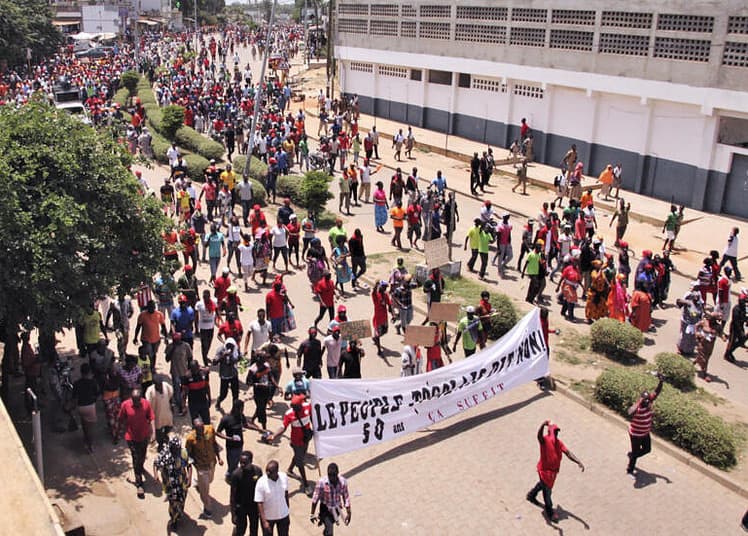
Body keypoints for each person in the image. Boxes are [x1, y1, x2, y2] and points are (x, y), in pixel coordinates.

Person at [526, 421, 584, 523]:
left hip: (552, 474)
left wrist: (578, 461)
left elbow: (568, 453)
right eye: (555, 431)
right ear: (550, 432)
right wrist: (542, 425)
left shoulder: (559, 443)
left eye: (557, 432)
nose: (556, 434)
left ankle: (531, 495)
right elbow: (538, 436)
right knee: (547, 492)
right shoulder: (544, 440)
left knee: (543, 485)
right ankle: (550, 511)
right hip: (544, 471)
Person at [267, 394, 314, 496]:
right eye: (293, 407)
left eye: (296, 407)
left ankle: (290, 470)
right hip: (296, 442)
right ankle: (306, 484)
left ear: (301, 404)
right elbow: (283, 427)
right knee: (300, 461)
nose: (294, 408)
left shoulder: (307, 407)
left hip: (306, 438)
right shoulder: (289, 414)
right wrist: (274, 435)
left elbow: (313, 417)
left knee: (299, 455)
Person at [118, 389, 155, 497]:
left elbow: (151, 417)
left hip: (144, 436)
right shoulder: (125, 405)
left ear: (140, 399)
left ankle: (140, 467)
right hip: (131, 438)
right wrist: (120, 431)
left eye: (138, 401)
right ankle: (139, 484)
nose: (136, 403)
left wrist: (153, 433)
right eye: (134, 401)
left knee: (142, 456)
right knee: (135, 458)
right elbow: (121, 418)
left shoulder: (146, 404)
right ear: (131, 399)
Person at [185, 417, 223, 518]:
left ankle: (199, 485)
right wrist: (193, 465)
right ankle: (207, 507)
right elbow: (188, 454)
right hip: (201, 467)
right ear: (194, 429)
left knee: (209, 481)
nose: (200, 431)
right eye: (198, 429)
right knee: (205, 491)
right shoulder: (190, 439)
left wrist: (219, 458)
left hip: (212, 463)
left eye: (201, 428)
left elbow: (215, 444)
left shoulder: (210, 430)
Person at [627, 374, 664, 474]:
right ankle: (630, 469)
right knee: (635, 452)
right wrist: (639, 402)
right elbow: (629, 412)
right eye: (646, 400)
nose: (648, 402)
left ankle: (632, 455)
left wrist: (661, 381)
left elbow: (656, 392)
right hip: (635, 434)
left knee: (647, 449)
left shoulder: (649, 402)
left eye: (649, 400)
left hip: (645, 433)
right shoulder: (637, 408)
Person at [153, 436, 191, 532]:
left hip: (182, 482)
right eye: (174, 449)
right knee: (173, 502)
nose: (176, 450)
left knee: (182, 499)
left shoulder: (183, 453)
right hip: (170, 484)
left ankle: (179, 513)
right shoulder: (165, 454)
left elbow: (189, 465)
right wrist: (156, 475)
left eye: (178, 448)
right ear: (171, 447)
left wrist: (189, 478)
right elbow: (156, 464)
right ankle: (174, 520)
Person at [310, 463, 352, 535]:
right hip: (325, 509)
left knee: (330, 525)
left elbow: (346, 497)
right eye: (329, 475)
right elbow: (315, 499)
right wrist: (312, 514)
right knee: (330, 532)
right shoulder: (321, 483)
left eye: (334, 475)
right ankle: (325, 524)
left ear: (337, 474)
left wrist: (349, 512)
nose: (332, 478)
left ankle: (325, 528)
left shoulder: (343, 482)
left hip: (337, 508)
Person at [217, 399, 254, 478]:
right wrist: (229, 438)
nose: (242, 410)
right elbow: (218, 432)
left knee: (238, 462)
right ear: (236, 408)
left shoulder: (241, 416)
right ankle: (230, 476)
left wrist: (259, 429)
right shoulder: (226, 419)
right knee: (232, 465)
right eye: (242, 408)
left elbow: (246, 425)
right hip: (231, 447)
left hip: (240, 445)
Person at [231, 451, 263, 536]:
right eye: (240, 462)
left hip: (253, 506)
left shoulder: (257, 471)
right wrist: (233, 514)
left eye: (245, 463)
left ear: (251, 461)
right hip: (241, 506)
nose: (242, 465)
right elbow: (232, 496)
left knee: (254, 529)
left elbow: (262, 489)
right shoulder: (236, 474)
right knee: (240, 530)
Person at [255, 460, 290, 536]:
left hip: (283, 515)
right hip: (268, 518)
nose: (267, 473)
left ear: (276, 471)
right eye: (266, 471)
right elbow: (259, 503)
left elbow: (286, 493)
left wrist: (287, 507)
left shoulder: (284, 477)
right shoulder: (261, 482)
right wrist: (264, 521)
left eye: (270, 471)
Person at [133, 300, 167, 372]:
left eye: (153, 307)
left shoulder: (159, 314)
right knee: (148, 354)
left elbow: (163, 326)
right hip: (146, 339)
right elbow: (138, 326)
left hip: (156, 339)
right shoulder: (142, 315)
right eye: (150, 307)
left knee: (154, 354)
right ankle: (146, 369)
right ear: (147, 307)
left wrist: (166, 337)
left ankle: (152, 367)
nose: (151, 309)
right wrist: (135, 337)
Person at [72, 363, 98, 453]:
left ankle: (85, 439)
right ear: (89, 372)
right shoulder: (93, 382)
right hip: (90, 407)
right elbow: (97, 393)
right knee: (91, 428)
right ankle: (90, 445)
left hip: (80, 407)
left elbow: (74, 397)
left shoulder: (76, 383)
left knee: (84, 423)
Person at [144, 376, 174, 451]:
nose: (160, 386)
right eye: (158, 385)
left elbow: (170, 396)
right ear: (154, 384)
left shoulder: (166, 386)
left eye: (160, 384)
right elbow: (148, 404)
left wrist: (172, 406)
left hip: (167, 412)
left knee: (169, 426)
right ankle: (160, 444)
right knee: (158, 431)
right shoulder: (150, 391)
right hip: (157, 414)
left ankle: (165, 436)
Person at [213, 337, 241, 410]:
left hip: (234, 374)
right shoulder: (221, 350)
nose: (230, 348)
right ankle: (219, 401)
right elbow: (214, 362)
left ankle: (234, 410)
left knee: (235, 393)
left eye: (231, 346)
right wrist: (223, 356)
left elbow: (239, 358)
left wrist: (232, 357)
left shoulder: (236, 349)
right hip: (224, 375)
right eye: (228, 346)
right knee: (223, 394)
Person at [695, 312, 723, 382]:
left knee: (706, 357)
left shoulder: (718, 326)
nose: (710, 320)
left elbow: (721, 334)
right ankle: (704, 373)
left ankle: (696, 361)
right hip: (702, 343)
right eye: (710, 318)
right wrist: (697, 333)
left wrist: (723, 337)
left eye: (713, 319)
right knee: (704, 359)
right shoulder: (704, 322)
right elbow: (696, 326)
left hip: (710, 345)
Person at [724, 292, 747, 363]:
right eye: (743, 301)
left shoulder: (743, 308)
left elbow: (744, 317)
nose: (745, 303)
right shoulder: (736, 309)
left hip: (740, 326)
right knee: (732, 341)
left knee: (742, 340)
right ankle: (727, 354)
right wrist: (741, 331)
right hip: (735, 327)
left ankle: (730, 351)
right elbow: (736, 321)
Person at [371, 281, 393, 356]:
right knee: (377, 335)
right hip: (377, 319)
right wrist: (376, 285)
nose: (385, 288)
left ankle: (375, 338)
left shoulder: (385, 295)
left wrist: (393, 315)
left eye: (386, 287)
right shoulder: (376, 295)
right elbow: (373, 292)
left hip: (384, 318)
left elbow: (389, 305)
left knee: (384, 331)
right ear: (380, 287)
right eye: (383, 287)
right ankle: (379, 349)